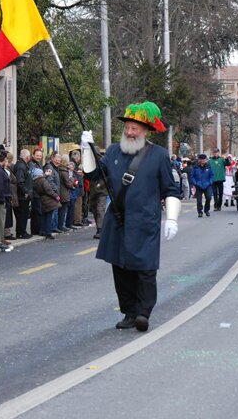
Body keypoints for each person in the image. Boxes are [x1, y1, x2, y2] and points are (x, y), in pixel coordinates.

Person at [81, 101, 181, 332]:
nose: (129, 131)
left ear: (146, 131)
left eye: (134, 128)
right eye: (127, 127)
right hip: (117, 220)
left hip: (145, 221)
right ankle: (129, 312)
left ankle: (143, 313)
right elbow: (92, 174)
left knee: (145, 269)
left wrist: (172, 219)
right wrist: (86, 148)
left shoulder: (159, 155)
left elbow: (170, 190)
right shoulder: (113, 151)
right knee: (120, 268)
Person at [13, 149, 33, 239]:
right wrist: (25, 192)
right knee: (22, 215)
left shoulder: (22, 165)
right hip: (22, 196)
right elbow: (20, 181)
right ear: (27, 157)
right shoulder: (21, 166)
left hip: (23, 194)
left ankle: (22, 231)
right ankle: (21, 232)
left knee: (24, 215)